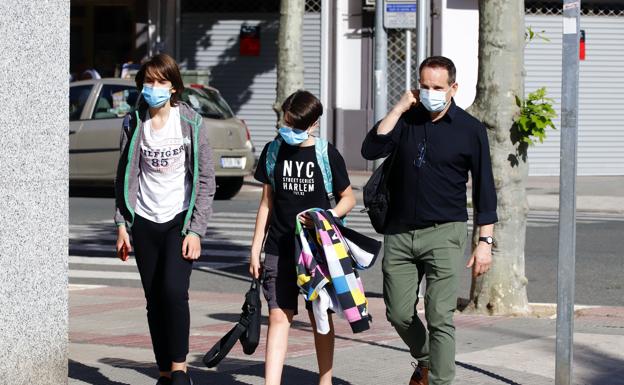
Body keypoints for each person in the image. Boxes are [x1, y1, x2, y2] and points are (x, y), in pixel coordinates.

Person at [361, 56, 498, 385]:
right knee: (397, 312)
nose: (430, 93)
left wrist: (485, 242)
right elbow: (370, 148)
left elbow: (485, 189)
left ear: (453, 88)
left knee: (439, 316)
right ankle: (427, 359)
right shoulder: (406, 120)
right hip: (399, 232)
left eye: (437, 87)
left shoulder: (470, 130)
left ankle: (439, 380)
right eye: (424, 87)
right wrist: (397, 109)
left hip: (444, 233)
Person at [114, 53, 216, 385]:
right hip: (143, 221)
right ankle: (162, 373)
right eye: (149, 82)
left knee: (174, 291)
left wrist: (196, 230)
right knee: (154, 299)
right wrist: (121, 225)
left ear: (173, 87)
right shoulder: (133, 122)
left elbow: (205, 180)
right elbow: (125, 178)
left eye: (161, 82)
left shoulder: (190, 122)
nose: (154, 88)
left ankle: (179, 369)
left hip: (178, 220)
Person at [249, 90, 356, 385]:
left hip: (317, 252)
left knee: (320, 317)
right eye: (286, 122)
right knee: (278, 316)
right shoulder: (274, 150)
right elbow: (266, 203)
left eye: (297, 126)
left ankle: (325, 380)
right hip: (279, 247)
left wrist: (329, 216)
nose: (290, 131)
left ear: (313, 123)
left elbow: (348, 198)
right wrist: (255, 248)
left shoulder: (326, 154)